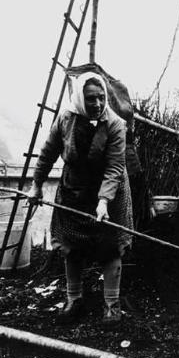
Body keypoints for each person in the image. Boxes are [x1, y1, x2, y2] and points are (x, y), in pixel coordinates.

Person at [28, 71, 133, 324]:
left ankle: (111, 304)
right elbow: (47, 153)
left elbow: (115, 167)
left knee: (110, 244)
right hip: (73, 190)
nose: (96, 104)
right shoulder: (65, 119)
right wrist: (36, 185)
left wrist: (104, 201)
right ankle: (74, 299)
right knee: (70, 244)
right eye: (90, 99)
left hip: (110, 192)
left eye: (100, 98)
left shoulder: (116, 125)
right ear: (79, 99)